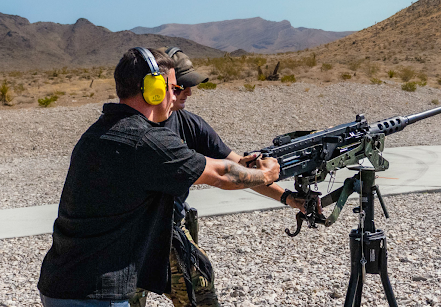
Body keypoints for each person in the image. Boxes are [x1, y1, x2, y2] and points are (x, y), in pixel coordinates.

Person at [37, 47, 282, 307]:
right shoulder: (147, 140)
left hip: (58, 284)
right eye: (174, 87)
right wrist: (266, 173)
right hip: (97, 295)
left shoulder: (96, 133)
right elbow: (222, 174)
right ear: (154, 88)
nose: (178, 93)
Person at [130, 47, 313, 307]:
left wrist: (289, 197)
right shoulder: (134, 130)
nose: (188, 93)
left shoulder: (190, 125)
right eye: (181, 87)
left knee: (202, 291)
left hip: (172, 231)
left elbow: (241, 171)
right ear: (159, 87)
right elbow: (223, 176)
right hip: (131, 236)